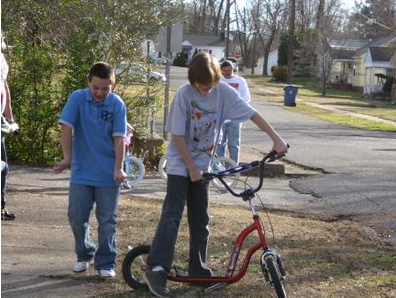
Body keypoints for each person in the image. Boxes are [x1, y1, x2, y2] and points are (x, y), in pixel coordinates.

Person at [142, 52, 288, 298]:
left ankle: (198, 269)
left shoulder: (222, 92)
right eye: (202, 85)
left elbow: (251, 113)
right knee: (172, 216)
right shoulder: (184, 95)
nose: (206, 90)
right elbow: (176, 135)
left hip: (204, 168)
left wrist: (277, 139)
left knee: (201, 220)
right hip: (180, 165)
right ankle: (156, 270)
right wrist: (190, 167)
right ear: (192, 80)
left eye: (210, 85)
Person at [53, 62, 127, 279]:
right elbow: (66, 127)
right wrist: (68, 158)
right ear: (89, 83)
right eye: (96, 87)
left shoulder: (116, 104)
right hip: (82, 171)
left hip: (107, 173)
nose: (100, 93)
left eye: (105, 88)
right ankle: (84, 253)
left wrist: (118, 168)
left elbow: (119, 138)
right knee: (76, 216)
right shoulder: (77, 98)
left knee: (107, 220)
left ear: (112, 85)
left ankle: (106, 261)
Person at [216, 60, 251, 164]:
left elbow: (245, 99)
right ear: (221, 70)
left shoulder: (240, 81)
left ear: (233, 69)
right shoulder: (218, 81)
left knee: (234, 144)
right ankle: (219, 167)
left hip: (235, 118)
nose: (227, 72)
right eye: (225, 70)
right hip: (220, 117)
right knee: (219, 144)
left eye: (229, 70)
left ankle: (234, 167)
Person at [1, 34, 19, 220]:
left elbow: (5, 88)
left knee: (2, 166)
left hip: (0, 122)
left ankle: (0, 204)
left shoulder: (0, 60)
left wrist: (10, 119)